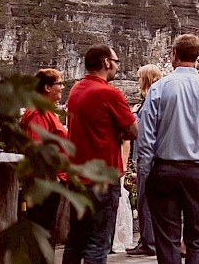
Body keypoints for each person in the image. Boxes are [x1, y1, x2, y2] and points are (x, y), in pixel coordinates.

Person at [138, 34, 199, 264]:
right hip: (198, 171)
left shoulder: (159, 89)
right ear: (197, 56)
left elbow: (146, 136)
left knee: (168, 239)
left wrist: (145, 170)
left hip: (165, 169)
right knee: (196, 240)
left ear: (174, 54)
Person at [63, 45, 139, 264]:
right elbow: (134, 131)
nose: (116, 66)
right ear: (106, 62)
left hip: (77, 176)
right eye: (116, 61)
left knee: (76, 240)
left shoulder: (76, 89)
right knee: (98, 242)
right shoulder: (109, 93)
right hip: (103, 179)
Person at [20, 68, 69, 235]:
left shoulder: (46, 110)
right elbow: (36, 147)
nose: (62, 87)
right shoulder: (38, 113)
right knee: (40, 230)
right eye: (59, 83)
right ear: (47, 87)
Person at [127, 64, 163, 257]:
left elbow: (142, 130)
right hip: (157, 157)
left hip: (147, 158)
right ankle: (150, 240)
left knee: (144, 201)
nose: (138, 81)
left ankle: (148, 241)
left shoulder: (149, 100)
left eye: (140, 78)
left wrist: (132, 114)